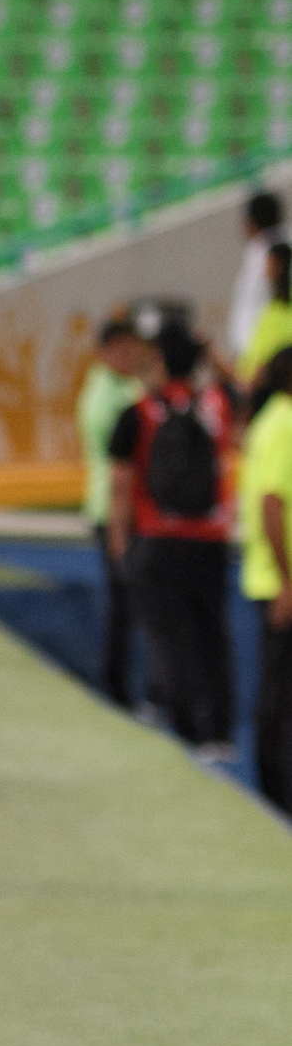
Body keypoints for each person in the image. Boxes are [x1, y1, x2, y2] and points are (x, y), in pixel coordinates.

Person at [108, 321, 236, 760]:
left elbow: (121, 483)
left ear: (159, 362)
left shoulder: (141, 411)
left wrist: (118, 537)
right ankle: (220, 732)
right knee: (213, 635)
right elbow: (242, 387)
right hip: (211, 538)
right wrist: (210, 352)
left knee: (172, 638)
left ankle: (186, 731)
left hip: (159, 537)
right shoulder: (217, 404)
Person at [76, 318, 146, 706]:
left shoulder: (126, 387)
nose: (133, 354)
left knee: (131, 603)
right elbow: (120, 450)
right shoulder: (103, 392)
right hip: (112, 509)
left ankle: (125, 686)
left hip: (129, 507)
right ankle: (115, 690)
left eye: (135, 346)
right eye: (125, 347)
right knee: (122, 603)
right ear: (108, 350)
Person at [237, 344, 292, 813]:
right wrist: (287, 582)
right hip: (281, 583)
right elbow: (272, 502)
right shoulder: (285, 423)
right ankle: (276, 795)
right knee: (280, 692)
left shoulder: (270, 420)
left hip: (271, 577)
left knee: (278, 688)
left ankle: (274, 790)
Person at [227, 190, 284, 360]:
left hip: (263, 352)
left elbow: (248, 307)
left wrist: (242, 350)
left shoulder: (261, 254)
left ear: (251, 223)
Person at [237, 242, 292, 386]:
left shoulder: (281, 309)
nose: (265, 269)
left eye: (269, 262)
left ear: (279, 265)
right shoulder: (269, 308)